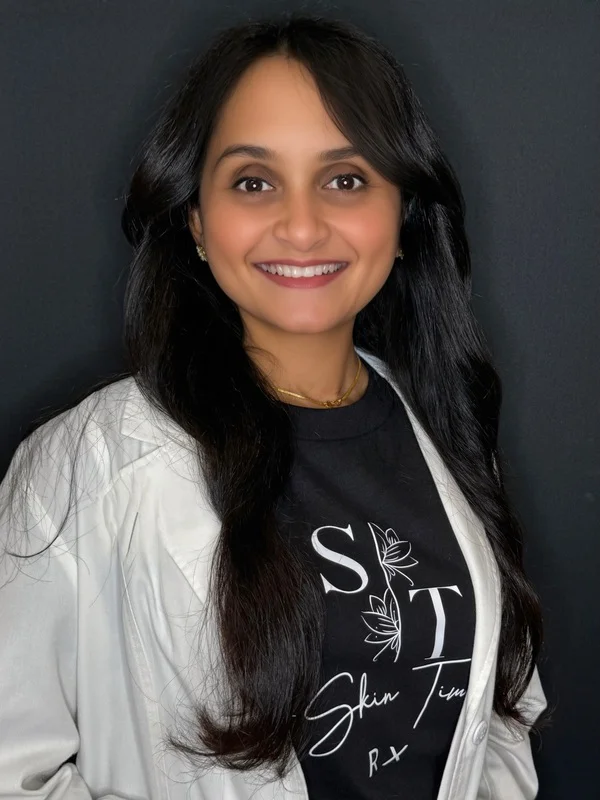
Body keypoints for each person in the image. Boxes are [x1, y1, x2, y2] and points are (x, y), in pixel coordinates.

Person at [0, 12, 547, 800]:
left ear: (402, 218)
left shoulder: (447, 432)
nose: (300, 225)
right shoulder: (90, 463)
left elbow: (500, 710)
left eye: (345, 179)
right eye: (253, 182)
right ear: (196, 219)